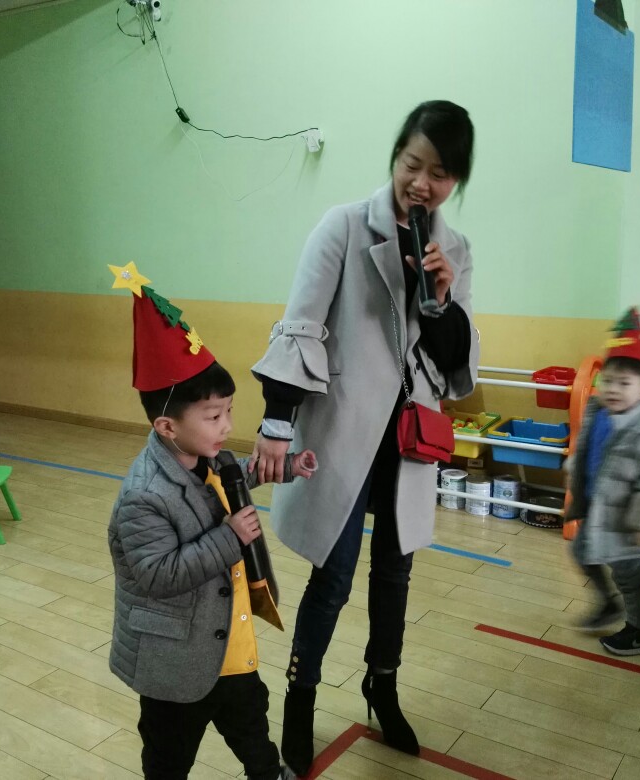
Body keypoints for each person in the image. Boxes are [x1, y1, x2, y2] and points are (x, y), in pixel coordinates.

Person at [250, 101, 479, 775]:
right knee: (334, 573)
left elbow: (456, 362)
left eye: (440, 173)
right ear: (396, 157)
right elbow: (301, 325)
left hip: (408, 437)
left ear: (456, 180)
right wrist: (276, 423)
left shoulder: (456, 250)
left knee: (396, 573)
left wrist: (442, 301)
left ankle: (383, 686)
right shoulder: (344, 226)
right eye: (412, 163)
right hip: (344, 430)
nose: (422, 183)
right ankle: (299, 698)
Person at [106, 262, 316, 780]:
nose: (227, 426)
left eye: (229, 411)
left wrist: (287, 465)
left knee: (254, 733)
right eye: (214, 416)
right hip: (175, 665)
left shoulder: (206, 456)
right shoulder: (144, 496)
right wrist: (229, 538)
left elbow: (236, 475)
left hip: (229, 646)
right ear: (166, 426)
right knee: (168, 756)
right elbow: (157, 575)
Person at [567, 307, 640, 656]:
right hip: (601, 510)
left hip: (631, 523)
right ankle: (609, 602)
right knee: (580, 550)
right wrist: (575, 471)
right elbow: (587, 449)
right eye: (608, 381)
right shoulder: (599, 412)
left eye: (625, 383)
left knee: (630, 578)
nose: (614, 389)